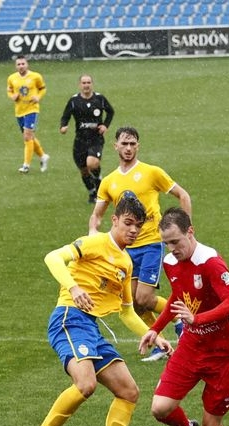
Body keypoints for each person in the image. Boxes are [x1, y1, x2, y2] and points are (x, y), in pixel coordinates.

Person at [23, 194, 173, 426]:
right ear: (114, 220)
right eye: (128, 223)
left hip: (90, 328)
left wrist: (154, 335)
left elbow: (127, 311)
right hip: (69, 319)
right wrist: (74, 287)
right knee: (86, 384)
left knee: (128, 391)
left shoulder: (126, 263)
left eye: (138, 226)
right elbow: (52, 257)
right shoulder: (94, 243)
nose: (133, 230)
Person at [138, 207, 229, 426]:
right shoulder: (170, 262)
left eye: (176, 241)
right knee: (160, 408)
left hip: (224, 353)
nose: (172, 249)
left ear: (190, 232)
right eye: (166, 243)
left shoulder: (210, 262)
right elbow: (178, 296)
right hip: (191, 347)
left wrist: (198, 319)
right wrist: (156, 329)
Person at [89, 126, 192, 362]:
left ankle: (180, 320)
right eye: (124, 144)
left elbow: (183, 195)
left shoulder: (151, 172)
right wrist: (93, 231)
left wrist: (185, 231)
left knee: (144, 298)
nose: (128, 148)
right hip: (126, 249)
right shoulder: (109, 181)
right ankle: (160, 344)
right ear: (115, 146)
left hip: (151, 244)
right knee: (134, 303)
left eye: (132, 144)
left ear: (138, 146)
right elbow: (97, 215)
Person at [60, 74, 115, 203]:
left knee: (92, 163)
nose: (86, 85)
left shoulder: (99, 99)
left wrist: (105, 125)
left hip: (95, 138)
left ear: (92, 84)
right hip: (80, 140)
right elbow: (65, 116)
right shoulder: (74, 101)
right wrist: (63, 126)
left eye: (88, 82)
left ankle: (99, 180)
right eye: (84, 83)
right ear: (80, 85)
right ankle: (92, 193)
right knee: (84, 170)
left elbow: (110, 111)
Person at [7, 55, 50, 174]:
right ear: (16, 66)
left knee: (27, 137)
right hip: (19, 111)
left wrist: (38, 97)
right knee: (29, 137)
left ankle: (26, 165)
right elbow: (9, 90)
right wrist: (12, 96)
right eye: (19, 64)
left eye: (23, 64)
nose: (21, 66)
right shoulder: (12, 78)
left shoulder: (36, 76)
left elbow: (43, 88)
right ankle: (43, 156)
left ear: (27, 65)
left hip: (32, 110)